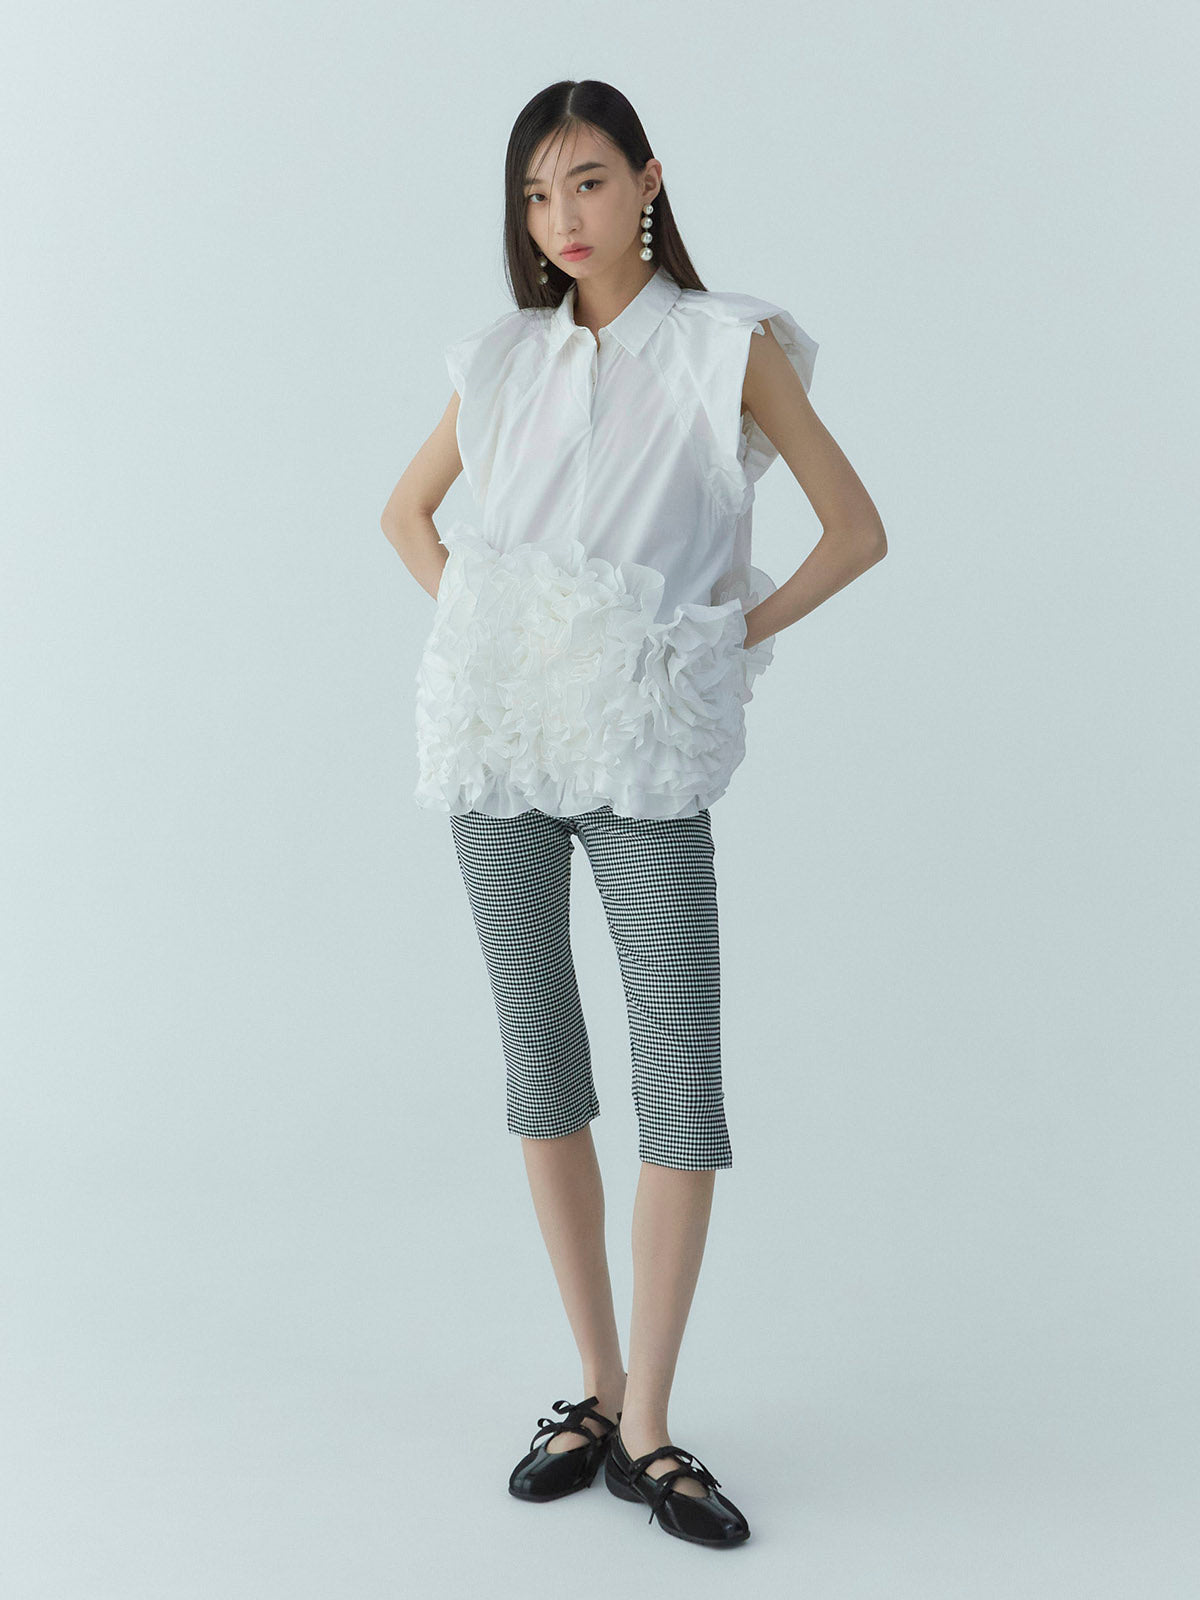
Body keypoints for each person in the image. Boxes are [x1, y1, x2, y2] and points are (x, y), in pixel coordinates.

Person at [380, 79, 887, 1549]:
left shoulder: (726, 347)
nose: (564, 218)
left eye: (590, 183)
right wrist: (496, 640)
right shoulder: (503, 359)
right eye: (539, 196)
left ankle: (653, 1421)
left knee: (679, 1074)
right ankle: (596, 1386)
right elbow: (407, 517)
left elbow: (855, 530)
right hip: (500, 755)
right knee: (541, 1058)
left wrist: (715, 640)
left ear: (649, 182)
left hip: (643, 750)